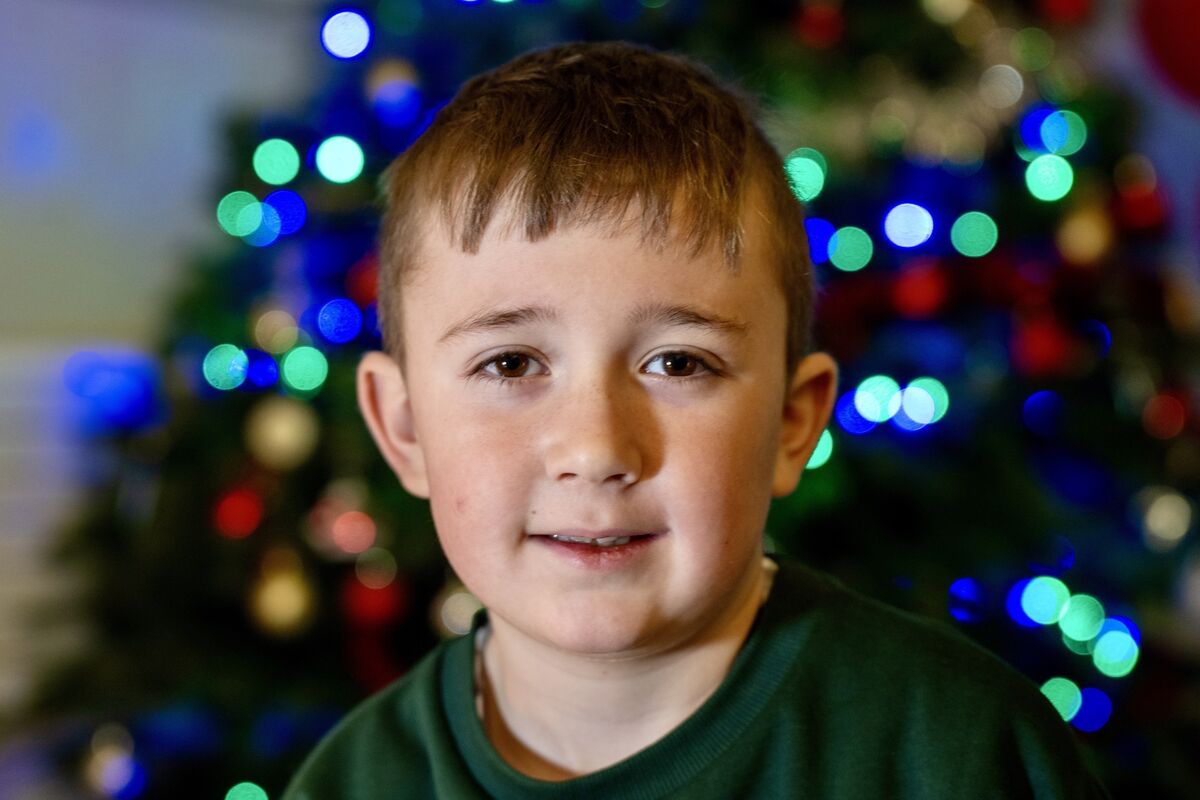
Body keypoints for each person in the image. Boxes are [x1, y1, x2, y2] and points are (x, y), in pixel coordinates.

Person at [283, 40, 1111, 798]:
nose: (597, 449)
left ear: (792, 422)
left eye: (678, 363)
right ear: (404, 429)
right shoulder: (351, 784)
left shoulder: (958, 752)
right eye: (511, 364)